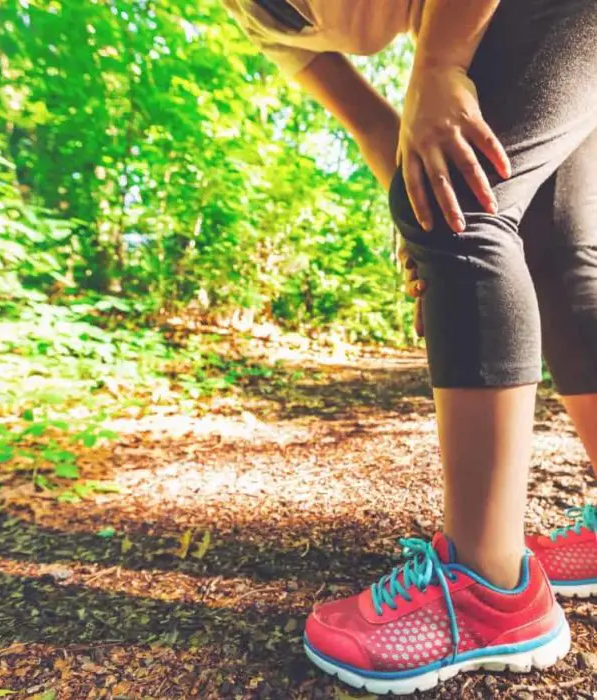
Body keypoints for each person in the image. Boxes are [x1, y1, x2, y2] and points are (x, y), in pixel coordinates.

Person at [222, 0, 597, 694]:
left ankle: (492, 593)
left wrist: (440, 62)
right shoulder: (260, 19)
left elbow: (438, 92)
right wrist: (425, 232)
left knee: (461, 197)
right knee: (553, 251)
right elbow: (375, 127)